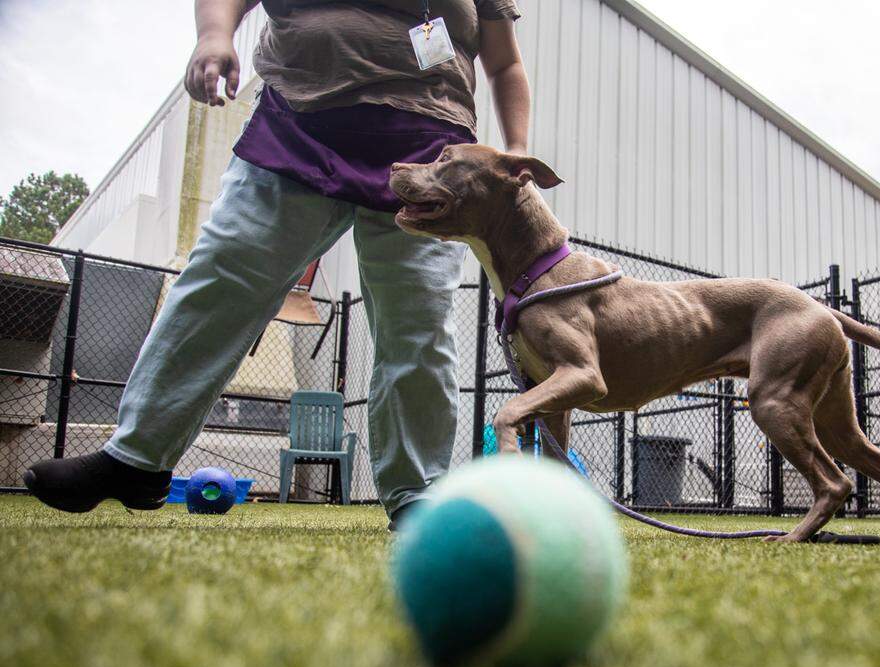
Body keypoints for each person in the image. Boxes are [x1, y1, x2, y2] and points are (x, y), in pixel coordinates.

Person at [23, 0, 530, 530]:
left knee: (418, 325)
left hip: (430, 148)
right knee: (222, 279)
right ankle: (135, 459)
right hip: (298, 122)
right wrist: (214, 34)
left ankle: (416, 495)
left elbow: (504, 63)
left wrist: (514, 155)